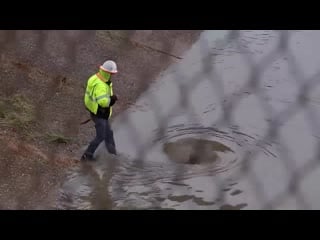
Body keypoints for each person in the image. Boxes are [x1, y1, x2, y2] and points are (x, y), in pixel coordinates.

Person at [81, 60, 118, 161]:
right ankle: (87, 155)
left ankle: (112, 153)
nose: (112, 75)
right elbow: (103, 102)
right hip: (99, 113)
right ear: (108, 73)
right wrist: (112, 100)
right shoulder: (101, 85)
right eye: (112, 73)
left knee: (109, 133)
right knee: (101, 136)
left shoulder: (95, 78)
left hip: (96, 110)